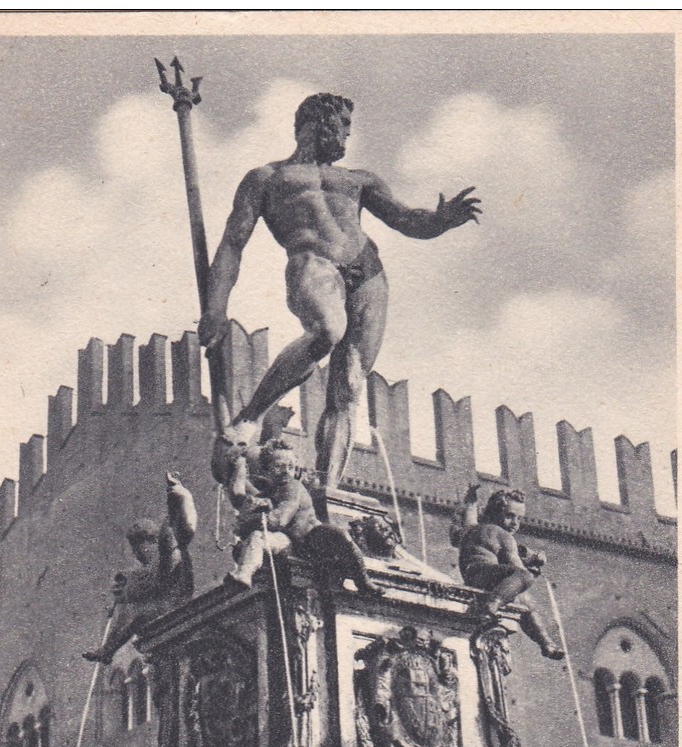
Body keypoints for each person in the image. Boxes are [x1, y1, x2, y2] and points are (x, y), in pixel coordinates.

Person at [199, 93, 481, 491]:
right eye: (344, 123)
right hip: (313, 263)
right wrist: (216, 307)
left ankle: (327, 490)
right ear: (318, 122)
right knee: (326, 331)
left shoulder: (358, 180)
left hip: (368, 273)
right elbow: (232, 244)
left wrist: (441, 220)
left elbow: (406, 219)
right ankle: (250, 416)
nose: (348, 133)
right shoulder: (266, 178)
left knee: (349, 384)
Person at [223, 438, 380, 596]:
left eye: (290, 466)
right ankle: (243, 575)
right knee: (257, 537)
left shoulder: (292, 487)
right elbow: (239, 497)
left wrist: (248, 522)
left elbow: (280, 518)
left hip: (312, 537)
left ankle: (363, 580)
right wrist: (239, 467)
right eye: (278, 466)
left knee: (341, 537)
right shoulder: (267, 494)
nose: (286, 471)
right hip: (291, 543)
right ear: (266, 470)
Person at [83, 472, 197, 664]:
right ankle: (107, 650)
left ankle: (107, 651)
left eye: (138, 547)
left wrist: (177, 493)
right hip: (163, 610)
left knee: (133, 610)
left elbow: (157, 580)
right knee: (131, 608)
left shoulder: (169, 552)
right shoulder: (154, 562)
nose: (137, 554)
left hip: (176, 609)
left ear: (149, 542)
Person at [455, 487, 564, 660]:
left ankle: (547, 644)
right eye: (510, 516)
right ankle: (493, 605)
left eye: (519, 518)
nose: (515, 523)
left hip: (474, 575)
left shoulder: (472, 529)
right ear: (495, 512)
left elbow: (467, 516)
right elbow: (518, 569)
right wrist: (533, 567)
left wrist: (471, 502)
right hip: (486, 575)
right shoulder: (504, 536)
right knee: (525, 579)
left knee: (525, 602)